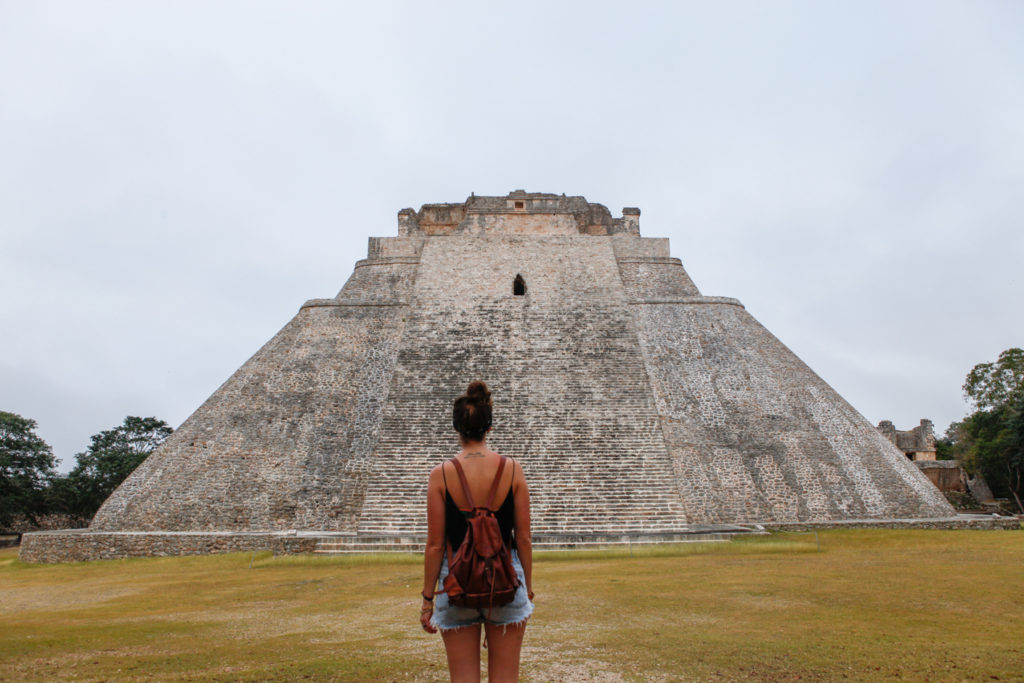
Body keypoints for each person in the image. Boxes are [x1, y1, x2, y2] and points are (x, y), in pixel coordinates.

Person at [420, 380, 534, 683]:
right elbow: (522, 537)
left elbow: (434, 544)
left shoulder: (440, 475)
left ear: (457, 428)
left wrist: (427, 599)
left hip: (457, 581)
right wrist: (528, 585)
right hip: (506, 579)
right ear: (489, 427)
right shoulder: (513, 470)